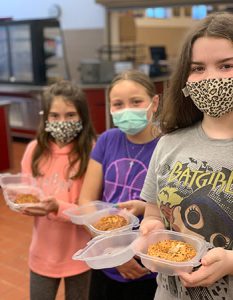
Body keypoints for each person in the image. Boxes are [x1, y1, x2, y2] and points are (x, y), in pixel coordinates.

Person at [140, 12, 233, 300]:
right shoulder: (169, 143)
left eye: (226, 65)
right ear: (186, 79)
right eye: (198, 68)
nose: (211, 78)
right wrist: (152, 228)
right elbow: (153, 212)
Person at [78, 70, 161, 300]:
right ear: (110, 108)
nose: (127, 110)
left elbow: (177, 211)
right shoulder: (106, 140)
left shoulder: (168, 146)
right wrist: (113, 250)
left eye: (136, 102)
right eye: (118, 104)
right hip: (107, 264)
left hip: (151, 267)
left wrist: (145, 208)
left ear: (154, 103)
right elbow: (86, 200)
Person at [21, 80, 96, 300]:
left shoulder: (93, 152)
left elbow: (93, 211)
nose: (62, 122)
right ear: (45, 118)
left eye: (70, 115)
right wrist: (22, 204)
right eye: (55, 116)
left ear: (82, 116)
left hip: (81, 254)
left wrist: (57, 208)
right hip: (42, 254)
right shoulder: (34, 150)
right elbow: (25, 194)